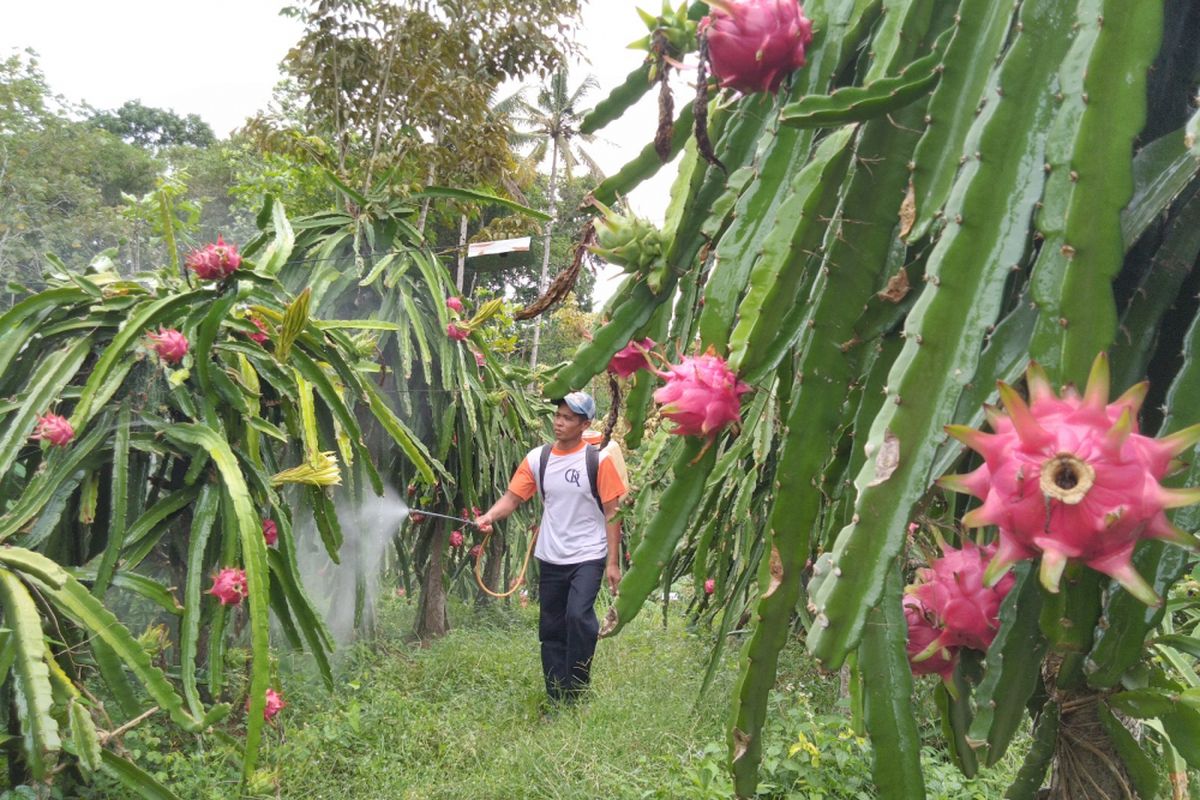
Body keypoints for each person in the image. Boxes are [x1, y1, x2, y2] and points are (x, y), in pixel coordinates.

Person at [474, 391, 626, 704]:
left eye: (568, 418)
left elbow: (613, 514)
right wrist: (489, 515)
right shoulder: (537, 459)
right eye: (557, 415)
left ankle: (577, 688)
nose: (559, 422)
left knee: (578, 617)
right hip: (551, 555)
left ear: (585, 424)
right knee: (552, 627)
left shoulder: (598, 461)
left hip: (589, 555)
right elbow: (513, 498)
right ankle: (556, 696)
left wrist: (613, 563)